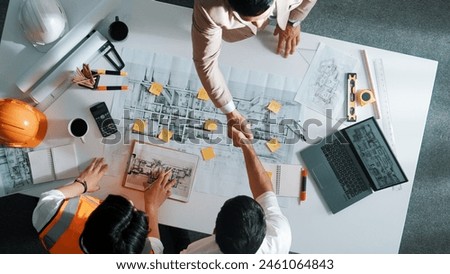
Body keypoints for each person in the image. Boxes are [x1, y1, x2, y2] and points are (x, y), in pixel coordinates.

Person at [192, 0, 317, 139]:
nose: (259, 25)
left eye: (262, 17)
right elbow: (205, 61)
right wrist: (231, 113)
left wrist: (293, 21)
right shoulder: (208, 8)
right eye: (247, 19)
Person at [181, 126, 292, 253]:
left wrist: (152, 207)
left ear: (215, 232)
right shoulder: (279, 236)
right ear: (263, 228)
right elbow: (265, 193)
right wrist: (246, 145)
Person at [32, 157, 175, 254]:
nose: (132, 203)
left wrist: (82, 183)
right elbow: (156, 247)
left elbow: (48, 199)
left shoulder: (49, 214)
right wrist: (152, 207)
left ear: (90, 219)